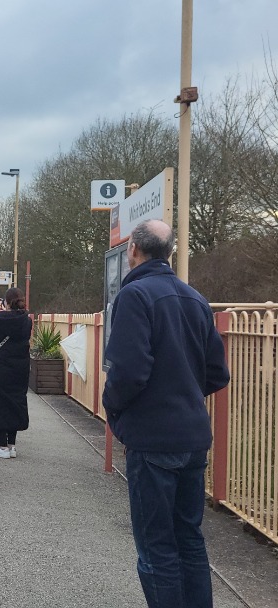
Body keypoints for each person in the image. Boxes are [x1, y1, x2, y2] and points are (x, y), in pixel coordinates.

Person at [103, 219, 229, 608]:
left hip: (153, 442)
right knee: (189, 540)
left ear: (133, 252)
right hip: (193, 440)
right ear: (170, 253)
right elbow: (217, 373)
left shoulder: (134, 297)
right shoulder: (196, 300)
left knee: (156, 548)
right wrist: (182, 395)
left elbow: (128, 374)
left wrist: (117, 413)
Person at [0, 287, 31, 459]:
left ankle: (2, 446)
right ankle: (12, 446)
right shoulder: (27, 321)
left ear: (5, 302)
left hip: (1, 366)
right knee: (16, 400)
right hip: (21, 365)